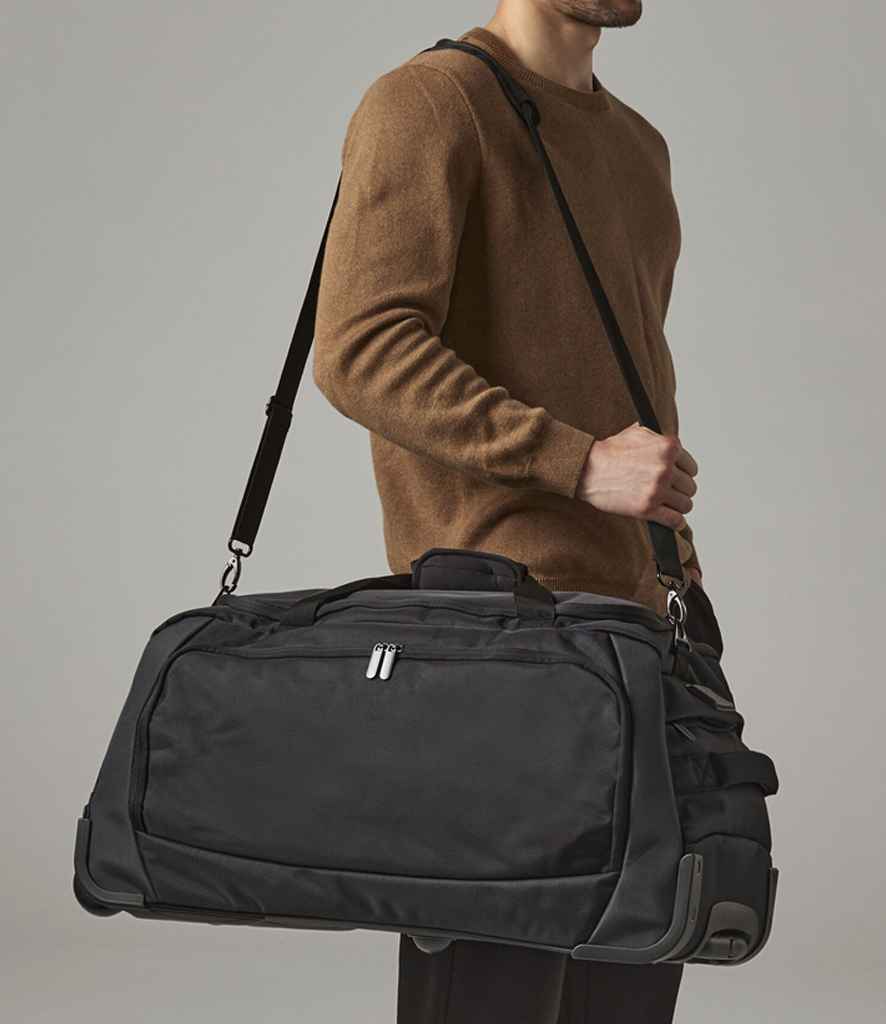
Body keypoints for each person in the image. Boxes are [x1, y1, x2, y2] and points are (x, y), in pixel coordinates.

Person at [314, 1, 701, 1020]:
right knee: (488, 995)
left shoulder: (638, 147)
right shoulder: (430, 104)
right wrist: (576, 465)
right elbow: (359, 348)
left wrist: (681, 578)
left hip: (640, 639)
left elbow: (637, 389)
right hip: (496, 639)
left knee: (629, 993)